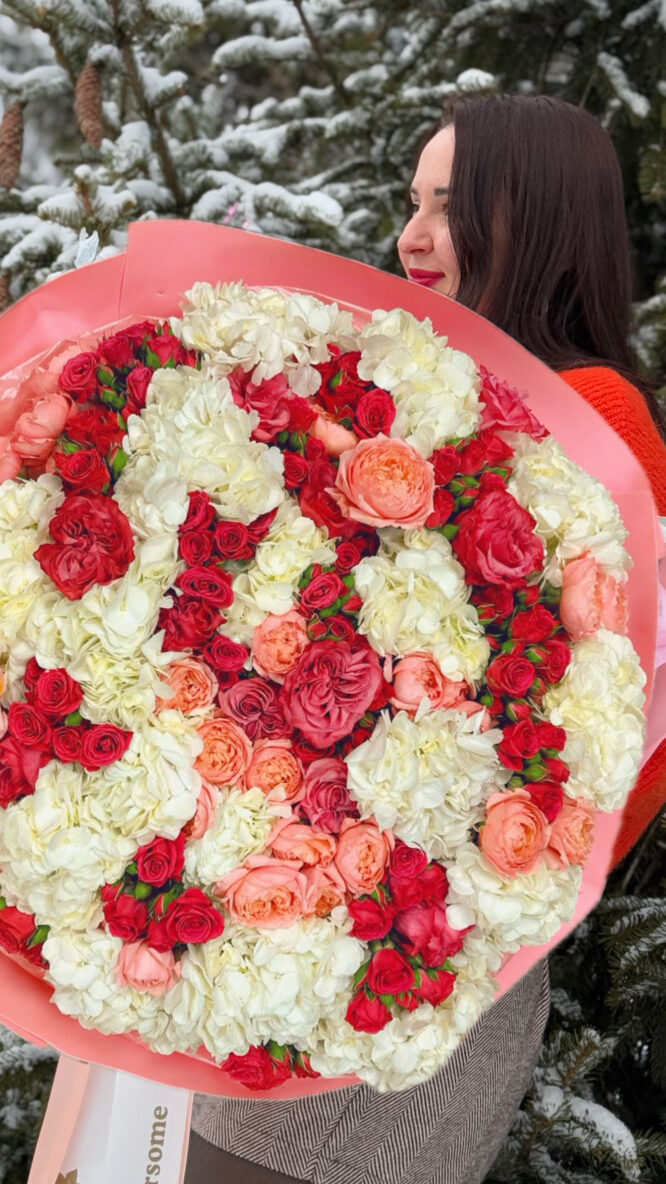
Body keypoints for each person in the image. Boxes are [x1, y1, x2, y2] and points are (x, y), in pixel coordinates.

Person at [187, 93, 666, 1184]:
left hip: (425, 962)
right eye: (411, 203)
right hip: (297, 930)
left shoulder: (594, 419)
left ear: (535, 218)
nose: (410, 238)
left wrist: (455, 873)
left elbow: (616, 741)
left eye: (451, 206)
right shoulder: (409, 392)